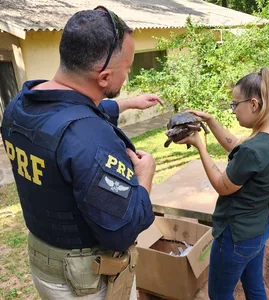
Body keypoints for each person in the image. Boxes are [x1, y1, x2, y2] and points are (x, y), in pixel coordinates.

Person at [0, 6, 163, 300]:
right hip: (85, 281)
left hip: (44, 262)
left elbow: (70, 113)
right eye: (127, 68)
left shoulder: (20, 107)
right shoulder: (89, 139)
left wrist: (129, 103)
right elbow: (124, 229)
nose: (127, 74)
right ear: (103, 77)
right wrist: (145, 178)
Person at [175, 68, 269, 300]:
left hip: (236, 234)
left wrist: (201, 147)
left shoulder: (252, 151)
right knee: (254, 284)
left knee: (219, 294)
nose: (233, 110)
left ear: (254, 104)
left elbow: (222, 184)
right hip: (260, 226)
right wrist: (211, 121)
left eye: (235, 104)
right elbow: (237, 146)